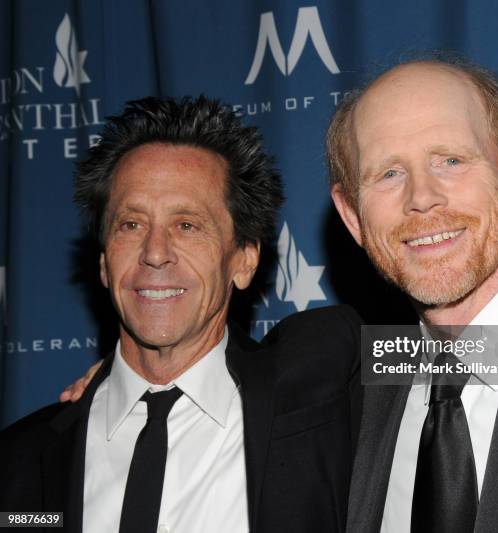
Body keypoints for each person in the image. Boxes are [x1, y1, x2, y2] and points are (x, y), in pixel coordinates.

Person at [0, 96, 361, 533]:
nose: (154, 253)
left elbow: (462, 356)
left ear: (244, 259)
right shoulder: (21, 459)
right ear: (102, 262)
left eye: (187, 225)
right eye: (130, 225)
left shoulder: (322, 382)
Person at [327, 55, 498, 532]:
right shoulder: (339, 390)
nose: (421, 196)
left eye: (451, 160)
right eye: (388, 173)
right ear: (353, 217)